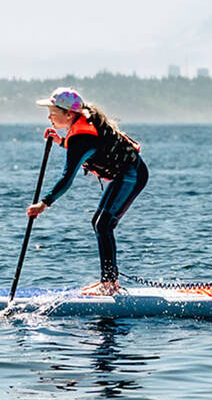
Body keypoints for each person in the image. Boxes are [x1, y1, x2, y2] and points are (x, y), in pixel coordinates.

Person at [26, 87, 149, 295]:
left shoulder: (81, 139)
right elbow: (88, 150)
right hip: (124, 175)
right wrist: (61, 141)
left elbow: (67, 178)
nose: (49, 117)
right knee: (99, 223)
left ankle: (109, 285)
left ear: (68, 114)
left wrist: (43, 204)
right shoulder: (80, 135)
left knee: (103, 225)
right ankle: (109, 281)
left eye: (53, 113)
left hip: (132, 175)